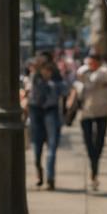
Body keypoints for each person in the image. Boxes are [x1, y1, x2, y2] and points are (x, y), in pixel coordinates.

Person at [68, 49, 107, 190]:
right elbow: (77, 87)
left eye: (93, 62)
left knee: (99, 142)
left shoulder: (104, 73)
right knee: (89, 143)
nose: (90, 64)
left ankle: (94, 169)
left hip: (102, 112)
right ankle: (94, 168)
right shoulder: (82, 72)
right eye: (89, 62)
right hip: (86, 113)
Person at [21, 53, 65, 190]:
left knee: (52, 147)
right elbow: (29, 91)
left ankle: (50, 178)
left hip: (51, 110)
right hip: (36, 111)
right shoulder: (34, 77)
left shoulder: (56, 77)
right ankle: (39, 173)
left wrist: (51, 82)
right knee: (37, 147)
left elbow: (64, 90)